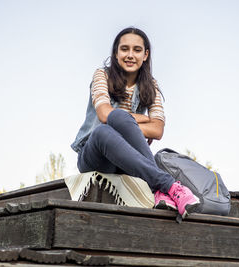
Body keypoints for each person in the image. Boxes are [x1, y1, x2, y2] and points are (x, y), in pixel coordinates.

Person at [71, 27, 199, 219]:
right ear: (115, 53)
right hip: (95, 155)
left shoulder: (150, 85)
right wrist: (145, 118)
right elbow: (105, 114)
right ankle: (169, 186)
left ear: (145, 55)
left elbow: (157, 130)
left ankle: (162, 191)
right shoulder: (102, 75)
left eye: (137, 50)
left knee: (119, 118)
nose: (130, 55)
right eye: (124, 49)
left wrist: (129, 122)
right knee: (105, 129)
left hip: (126, 159)